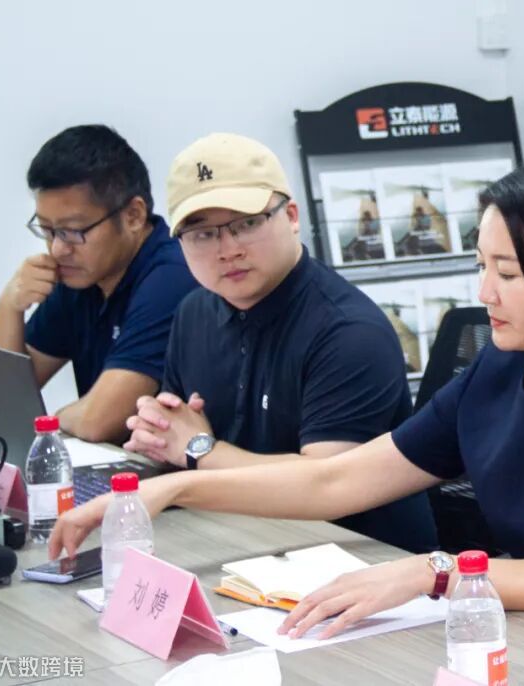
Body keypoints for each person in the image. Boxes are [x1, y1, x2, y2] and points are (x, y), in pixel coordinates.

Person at [50, 153, 524, 638]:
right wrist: (173, 489)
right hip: (519, 626)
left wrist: (433, 571)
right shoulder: (498, 371)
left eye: (507, 274)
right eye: (481, 266)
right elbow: (335, 481)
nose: (484, 293)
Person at [116, 132, 436, 553]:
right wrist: (158, 435)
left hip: (356, 557)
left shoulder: (351, 332)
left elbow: (325, 482)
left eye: (246, 224)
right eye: (203, 234)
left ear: (291, 216)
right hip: (239, 539)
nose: (227, 250)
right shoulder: (193, 312)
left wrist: (198, 450)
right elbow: (177, 432)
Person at [0, 125, 198, 443]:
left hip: (180, 468)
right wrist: (10, 305)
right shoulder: (78, 275)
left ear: (133, 215)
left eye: (73, 231)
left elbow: (99, 421)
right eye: (47, 230)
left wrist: (48, 420)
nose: (58, 248)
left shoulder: (173, 277)